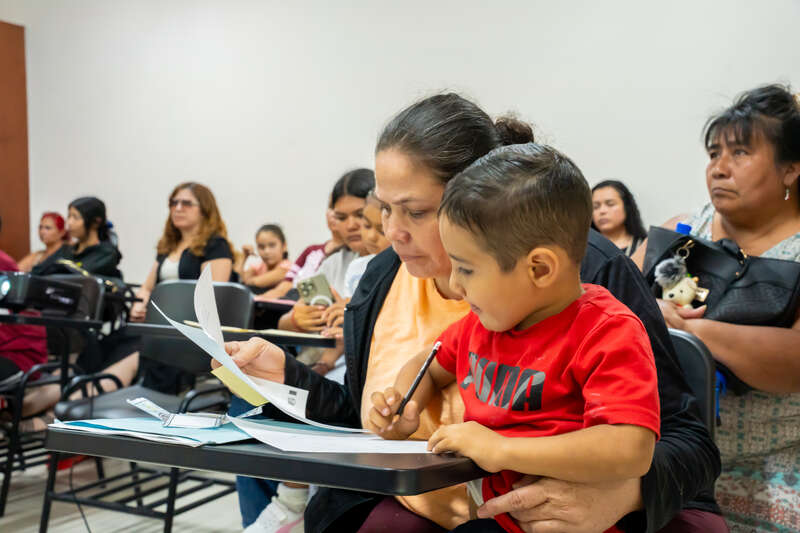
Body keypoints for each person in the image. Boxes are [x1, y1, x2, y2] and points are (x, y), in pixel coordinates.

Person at [219, 94, 723, 533]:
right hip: (441, 505)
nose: (392, 232)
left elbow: (686, 440)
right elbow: (371, 416)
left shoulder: (584, 278)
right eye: (385, 208)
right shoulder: (384, 280)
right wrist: (289, 378)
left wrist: (627, 495)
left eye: (416, 211)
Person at [369, 143, 660, 533]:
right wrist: (405, 403)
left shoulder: (605, 331)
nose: (455, 284)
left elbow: (631, 449)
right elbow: (429, 364)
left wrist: (502, 449)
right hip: (494, 520)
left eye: (466, 269)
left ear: (539, 268)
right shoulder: (482, 325)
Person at [632, 84, 800, 533]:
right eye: (713, 154)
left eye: (740, 152)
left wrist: (689, 331)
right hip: (671, 458)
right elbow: (613, 309)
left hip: (779, 467)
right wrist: (652, 314)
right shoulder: (681, 232)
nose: (719, 168)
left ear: (790, 169)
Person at [237, 169, 375, 533]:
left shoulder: (390, 263)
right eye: (341, 216)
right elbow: (290, 315)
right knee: (248, 409)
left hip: (351, 367)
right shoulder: (331, 261)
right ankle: (268, 515)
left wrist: (348, 320)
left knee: (298, 404)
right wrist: (298, 320)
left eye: (361, 216)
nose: (352, 225)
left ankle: (292, 503)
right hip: (323, 358)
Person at [257, 210, 345, 301]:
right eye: (332, 207)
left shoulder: (347, 254)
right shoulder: (311, 251)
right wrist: (261, 299)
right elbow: (286, 284)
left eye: (272, 245)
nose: (334, 214)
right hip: (293, 297)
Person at [32, 197, 122, 278]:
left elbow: (80, 276)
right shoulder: (66, 250)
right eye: (69, 216)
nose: (69, 222)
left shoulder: (106, 253)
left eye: (76, 217)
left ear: (96, 222)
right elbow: (36, 272)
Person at [591, 180, 647, 256]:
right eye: (595, 207)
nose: (602, 211)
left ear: (627, 207)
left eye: (610, 204)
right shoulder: (583, 249)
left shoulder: (645, 247)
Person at [234, 224, 291, 293]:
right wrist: (244, 256)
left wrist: (247, 280)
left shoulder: (287, 268)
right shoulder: (259, 266)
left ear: (284, 246)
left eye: (272, 245)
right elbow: (236, 279)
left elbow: (254, 282)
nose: (266, 251)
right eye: (261, 247)